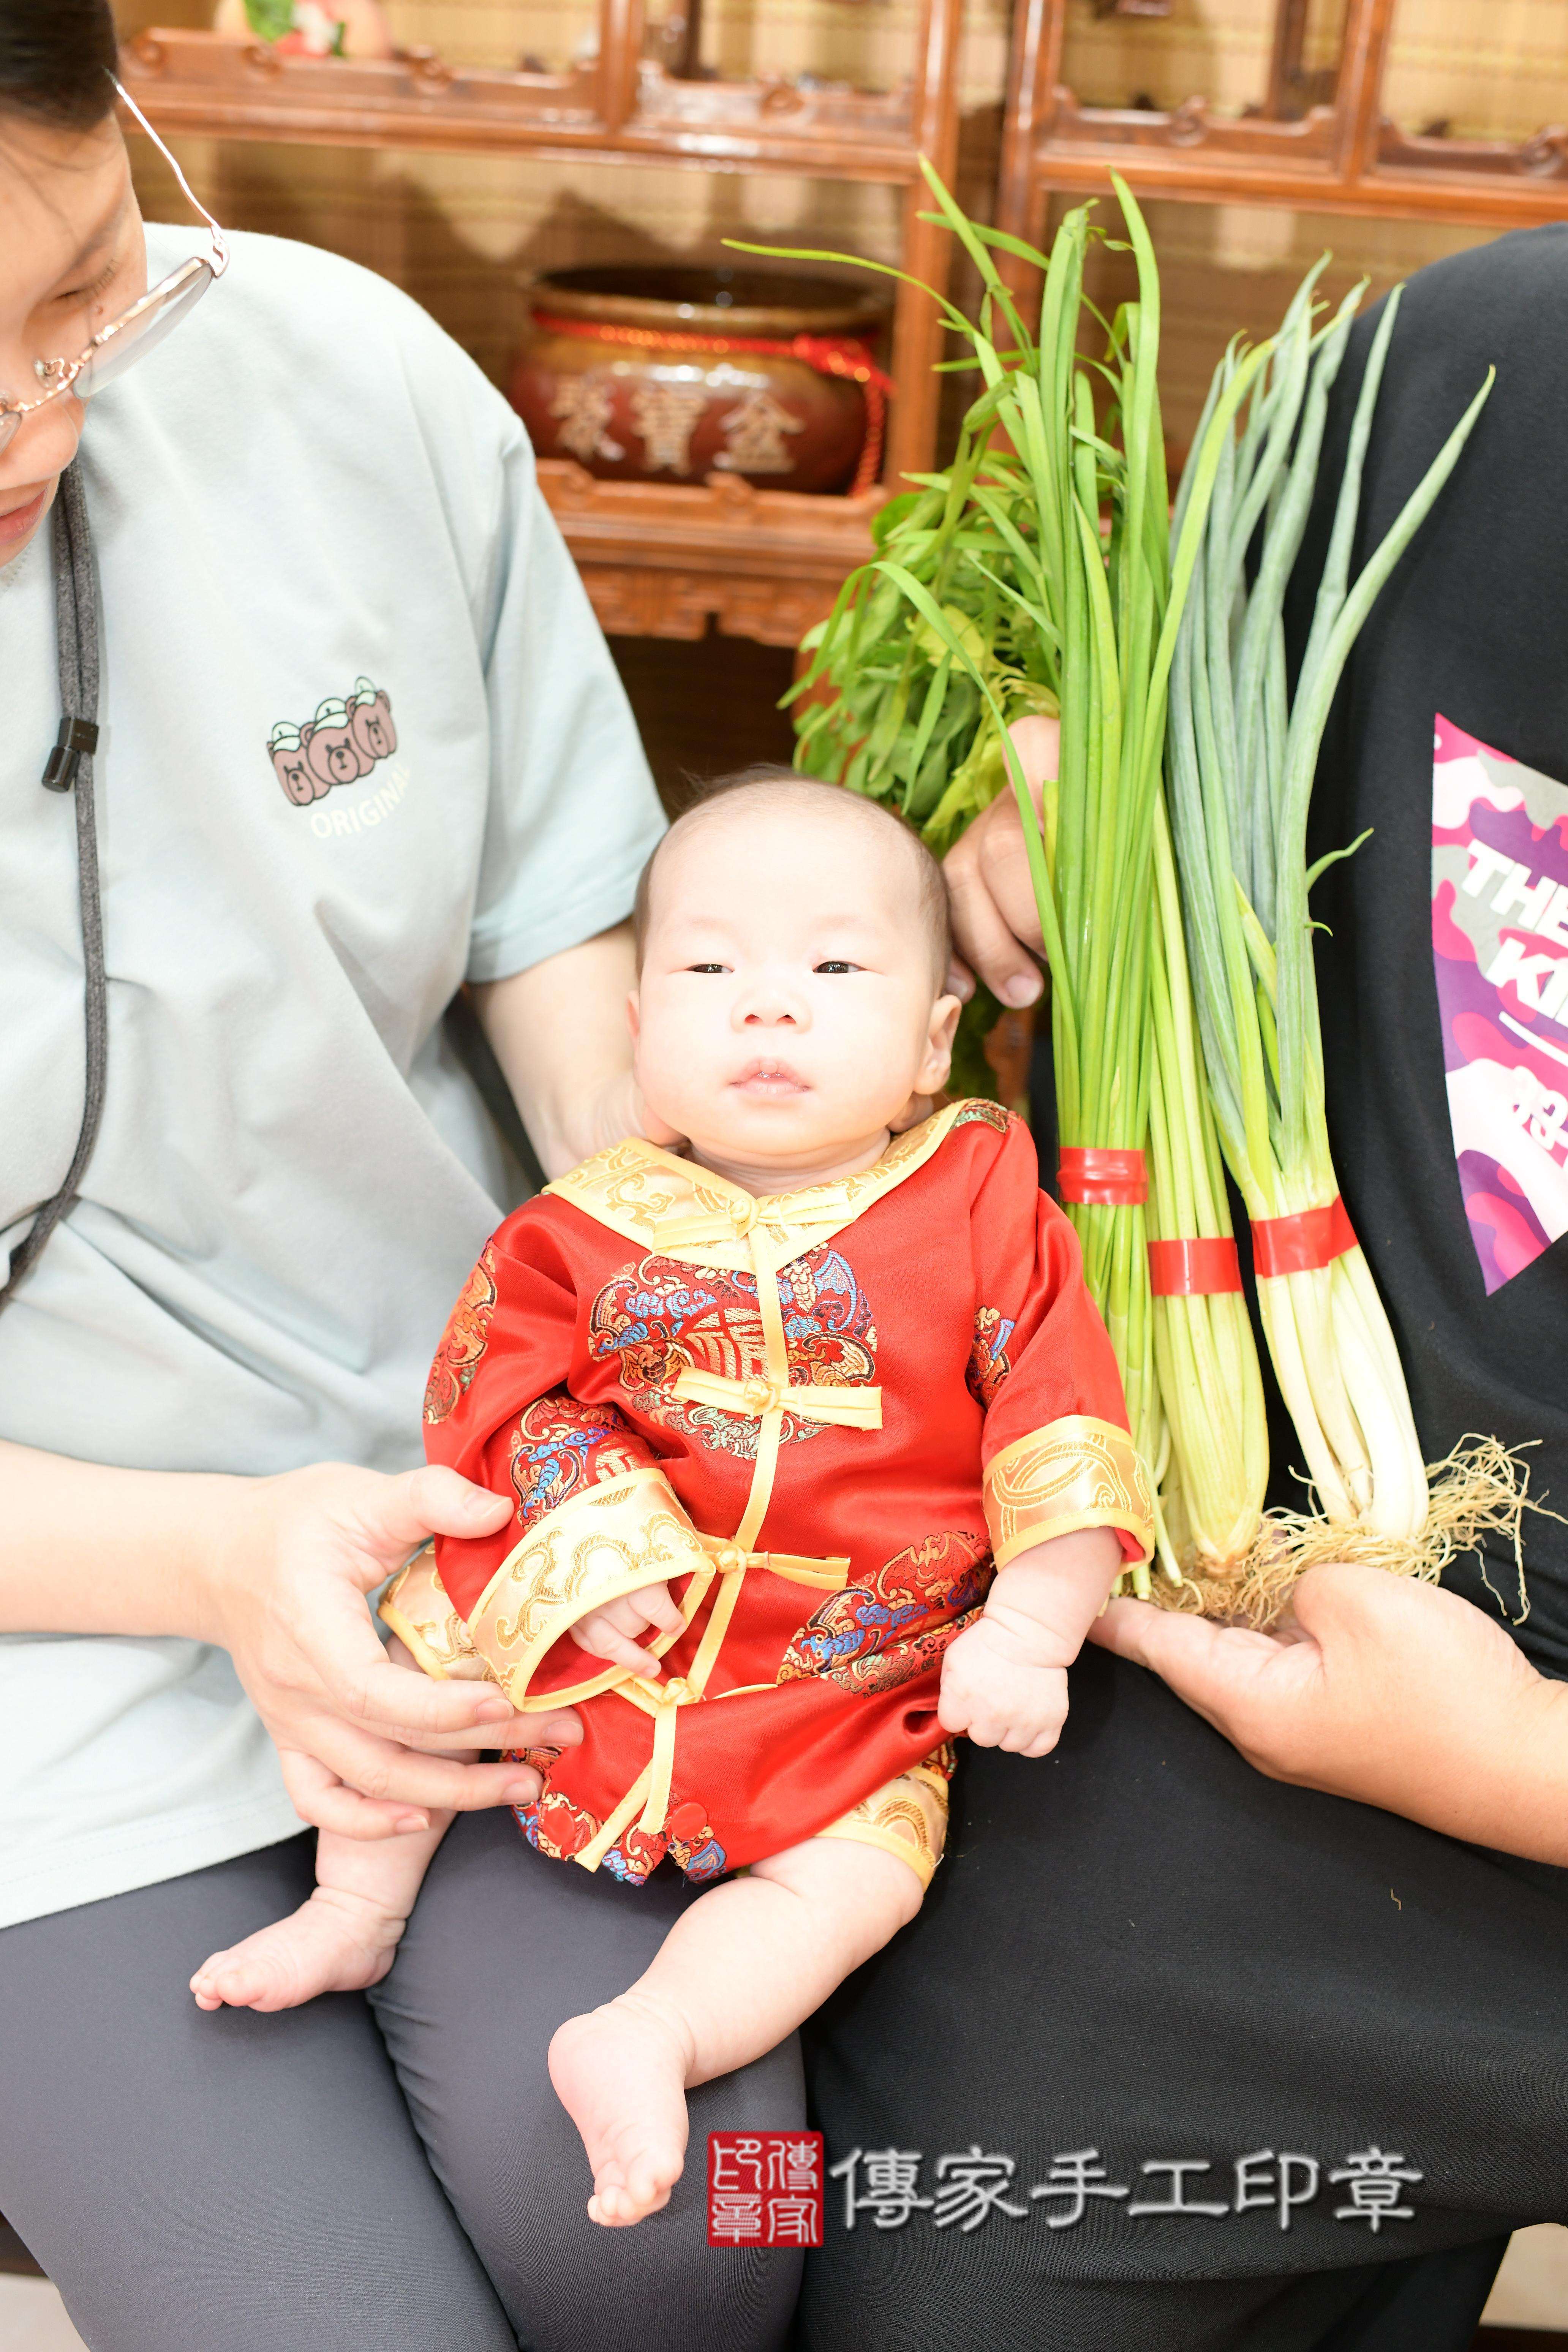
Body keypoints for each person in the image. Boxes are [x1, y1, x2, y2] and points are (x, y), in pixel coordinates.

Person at [0, 10, 805, 2350]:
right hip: (53, 1646)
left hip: (495, 1543)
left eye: (79, 288)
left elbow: (555, 925)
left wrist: (687, 1319)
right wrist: (217, 1562)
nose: (45, 424)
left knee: (706, 2243)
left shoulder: (342, 378)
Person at [795, 232, 1568, 2351]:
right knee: (926, 2239)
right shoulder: (1464, 379)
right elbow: (1187, 764)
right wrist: (1059, 827)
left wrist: (1513, 1764)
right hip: (1284, 1592)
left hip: (1499, 1745)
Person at [189, 771, 1154, 2232]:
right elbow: (493, 1403)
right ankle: (356, 1908)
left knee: (855, 1880)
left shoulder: (982, 1209)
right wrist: (582, 1542)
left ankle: (651, 2034)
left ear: (934, 1041)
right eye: (709, 969)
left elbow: (1066, 1418)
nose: (768, 1005)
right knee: (418, 1662)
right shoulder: (576, 1231)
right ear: (644, 1038)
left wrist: (1028, 1627)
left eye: (835, 967)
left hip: (847, 1677)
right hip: (604, 1631)